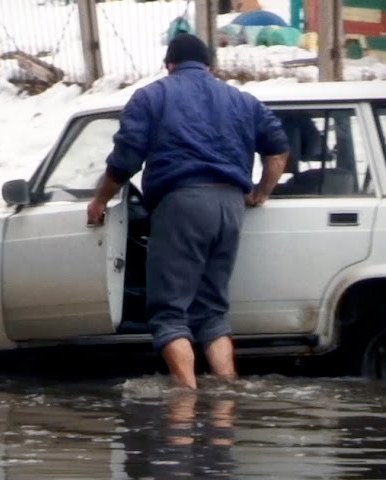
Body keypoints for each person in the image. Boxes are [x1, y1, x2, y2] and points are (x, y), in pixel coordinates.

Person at [86, 33, 289, 389]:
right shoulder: (243, 100)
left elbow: (126, 159)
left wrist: (101, 200)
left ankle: (186, 400)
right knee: (212, 312)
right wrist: (260, 193)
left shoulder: (153, 96)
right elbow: (277, 153)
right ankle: (226, 394)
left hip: (181, 204)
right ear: (211, 66)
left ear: (169, 64)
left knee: (168, 313)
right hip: (230, 205)